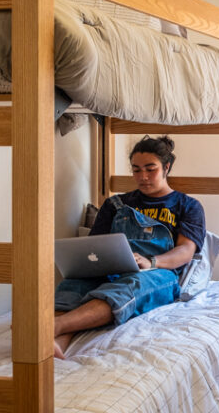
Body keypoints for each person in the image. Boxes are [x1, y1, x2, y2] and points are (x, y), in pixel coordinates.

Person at [53, 135, 205, 359]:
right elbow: (94, 246)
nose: (142, 177)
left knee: (129, 286)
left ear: (166, 167)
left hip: (158, 273)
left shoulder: (187, 206)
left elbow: (185, 251)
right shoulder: (116, 204)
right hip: (112, 268)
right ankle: (53, 343)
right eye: (136, 170)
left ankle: (52, 327)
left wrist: (151, 261)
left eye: (150, 169)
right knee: (74, 285)